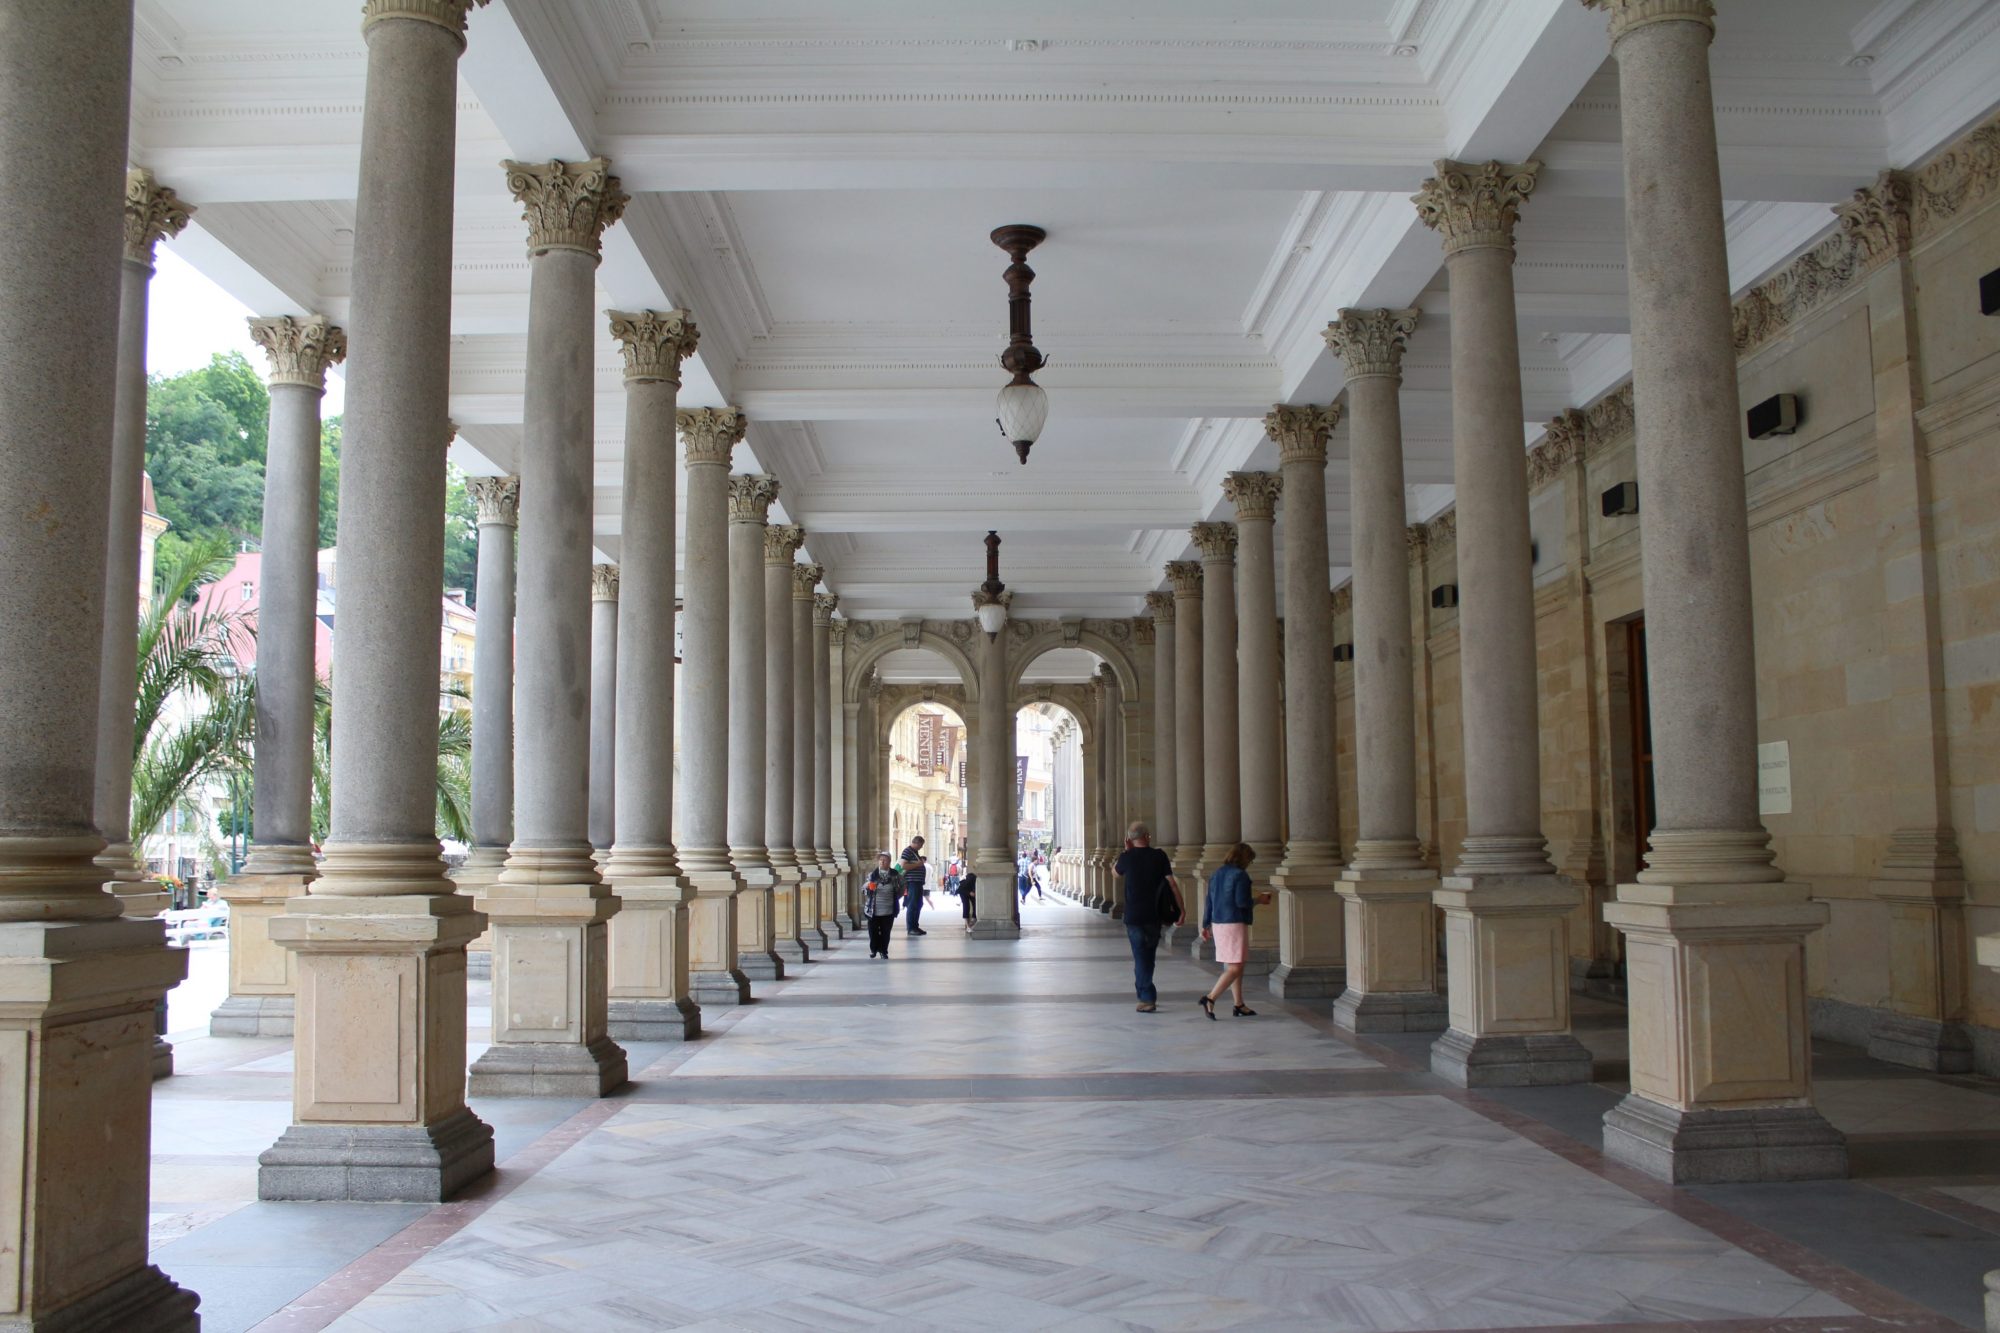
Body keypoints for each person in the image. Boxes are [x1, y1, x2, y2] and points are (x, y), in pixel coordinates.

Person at [1114, 822, 1182, 1013]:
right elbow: (1172, 884)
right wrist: (1181, 909)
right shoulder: (1159, 856)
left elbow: (1115, 873)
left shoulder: (1127, 857)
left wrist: (1126, 852)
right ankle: (1144, 993)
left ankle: (1146, 997)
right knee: (1147, 956)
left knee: (1140, 956)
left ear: (1130, 839)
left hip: (1134, 916)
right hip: (1154, 915)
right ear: (1147, 836)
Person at [1200, 842, 1272, 1018]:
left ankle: (1239, 1004)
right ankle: (1210, 998)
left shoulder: (1216, 874)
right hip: (1233, 923)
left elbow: (1209, 901)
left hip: (1218, 923)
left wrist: (1205, 924)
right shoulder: (1241, 876)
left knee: (1235, 965)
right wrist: (1260, 900)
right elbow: (1242, 903)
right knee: (1235, 967)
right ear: (1245, 859)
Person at [864, 852, 903, 959]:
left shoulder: (895, 875)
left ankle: (883, 951)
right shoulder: (872, 875)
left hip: (889, 908)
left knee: (886, 932)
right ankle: (874, 949)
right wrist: (868, 887)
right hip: (873, 909)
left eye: (884, 860)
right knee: (873, 932)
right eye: (880, 859)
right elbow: (864, 890)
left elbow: (902, 887)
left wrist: (895, 897)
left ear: (889, 862)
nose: (882, 861)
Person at [901, 836, 929, 935]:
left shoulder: (914, 852)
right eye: (921, 845)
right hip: (912, 883)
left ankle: (915, 926)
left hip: (917, 883)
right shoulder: (907, 851)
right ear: (917, 843)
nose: (921, 847)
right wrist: (918, 865)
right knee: (912, 905)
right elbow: (903, 865)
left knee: (919, 904)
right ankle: (911, 928)